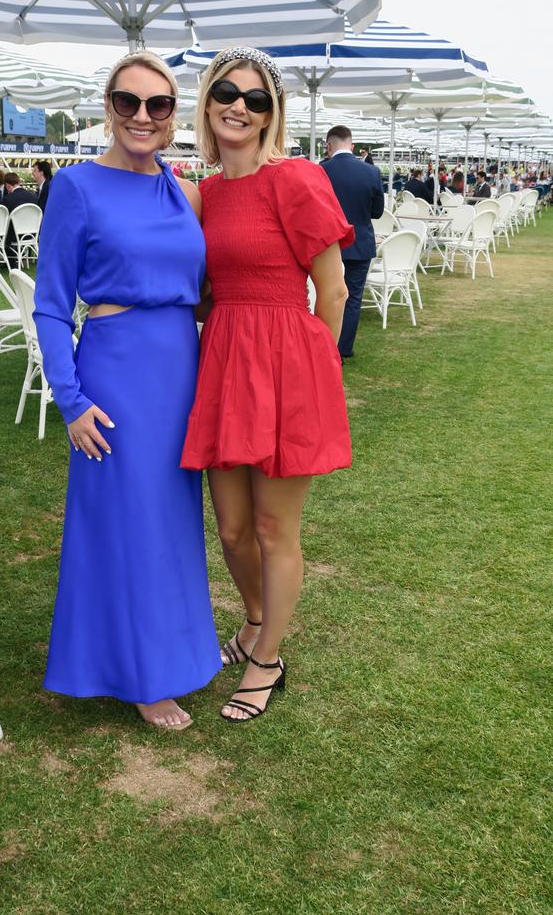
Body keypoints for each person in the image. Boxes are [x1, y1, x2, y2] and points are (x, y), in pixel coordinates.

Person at [33, 51, 221, 731]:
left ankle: (175, 653)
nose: (142, 116)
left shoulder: (181, 189)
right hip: (115, 369)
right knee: (127, 521)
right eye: (128, 101)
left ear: (174, 117)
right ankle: (141, 676)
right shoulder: (77, 187)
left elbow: (201, 286)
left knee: (171, 523)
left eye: (158, 104)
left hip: (180, 371)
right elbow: (51, 305)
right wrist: (71, 397)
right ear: (108, 108)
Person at [180, 47, 353, 723]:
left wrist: (316, 369)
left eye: (255, 99)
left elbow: (332, 289)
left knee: (275, 526)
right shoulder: (208, 190)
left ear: (272, 113)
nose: (239, 106)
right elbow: (200, 286)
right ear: (208, 99)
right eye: (227, 91)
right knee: (230, 528)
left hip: (286, 362)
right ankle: (256, 618)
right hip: (225, 359)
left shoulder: (298, 179)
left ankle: (267, 660)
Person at [320, 125, 385, 359]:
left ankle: (324, 345)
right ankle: (343, 348)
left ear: (328, 145)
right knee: (353, 297)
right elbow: (377, 212)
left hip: (327, 244)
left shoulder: (321, 170)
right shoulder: (371, 172)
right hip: (359, 242)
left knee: (323, 294)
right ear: (352, 145)